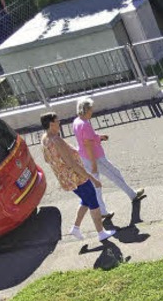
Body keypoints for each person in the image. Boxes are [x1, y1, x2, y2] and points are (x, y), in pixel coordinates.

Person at [40, 113, 116, 244]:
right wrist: (92, 178)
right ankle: (101, 233)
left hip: (65, 179)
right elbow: (72, 164)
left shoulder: (44, 139)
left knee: (86, 200)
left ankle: (75, 228)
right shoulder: (56, 140)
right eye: (58, 122)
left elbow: (47, 159)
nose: (60, 124)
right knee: (93, 201)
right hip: (76, 177)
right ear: (51, 124)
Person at [73, 96, 144, 219]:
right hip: (96, 158)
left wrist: (99, 137)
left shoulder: (77, 122)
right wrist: (94, 164)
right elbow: (88, 145)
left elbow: (85, 140)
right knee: (115, 174)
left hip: (85, 158)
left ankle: (101, 211)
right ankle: (132, 195)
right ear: (86, 110)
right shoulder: (85, 125)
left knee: (97, 185)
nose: (92, 111)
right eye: (91, 109)